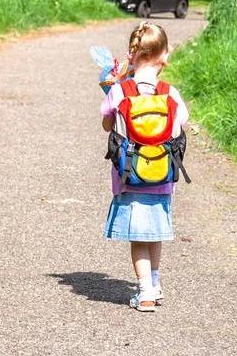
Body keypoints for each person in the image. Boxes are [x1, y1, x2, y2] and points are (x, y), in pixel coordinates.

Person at [100, 21, 189, 311]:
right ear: (164, 56)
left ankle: (146, 293)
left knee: (138, 238)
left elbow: (106, 125)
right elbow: (181, 123)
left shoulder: (120, 90)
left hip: (130, 175)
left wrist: (113, 89)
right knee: (155, 233)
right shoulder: (170, 92)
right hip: (163, 175)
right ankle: (155, 281)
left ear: (133, 54)